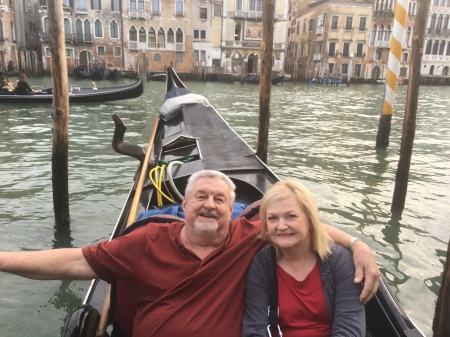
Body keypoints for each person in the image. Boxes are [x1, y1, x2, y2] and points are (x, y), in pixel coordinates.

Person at [0, 170, 379, 337]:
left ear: (233, 209)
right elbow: (75, 260)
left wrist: (357, 244)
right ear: (186, 203)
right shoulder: (146, 241)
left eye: (221, 199)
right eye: (202, 196)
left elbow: (304, 227)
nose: (211, 205)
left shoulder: (250, 235)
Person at [242, 180, 365, 337]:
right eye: (273, 218)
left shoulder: (340, 261)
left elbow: (350, 328)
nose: (281, 226)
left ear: (310, 219)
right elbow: (255, 329)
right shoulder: (262, 264)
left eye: (291, 216)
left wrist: (358, 245)